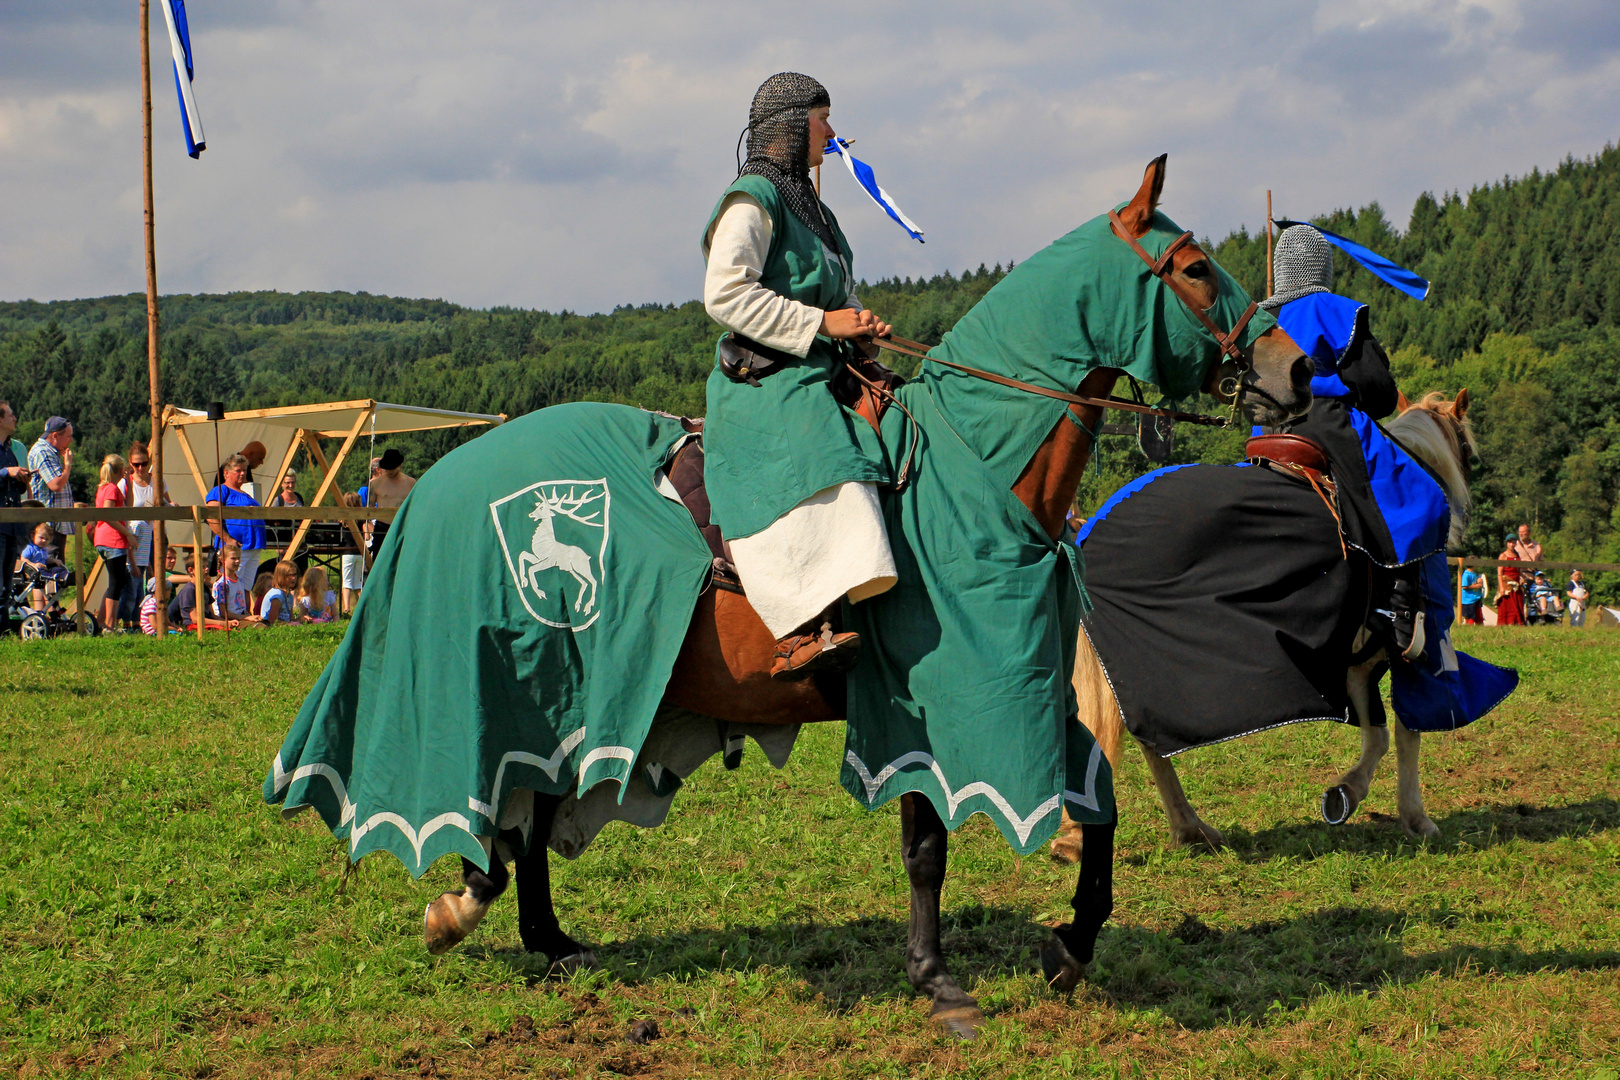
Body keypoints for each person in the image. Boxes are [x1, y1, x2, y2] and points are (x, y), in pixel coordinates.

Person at [701, 72, 898, 680]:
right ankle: (802, 626)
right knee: (820, 447)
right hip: (770, 381)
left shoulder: (818, 211)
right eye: (823, 119)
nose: (833, 133)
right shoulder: (752, 197)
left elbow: (836, 295)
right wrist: (824, 323)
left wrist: (857, 326)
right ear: (789, 124)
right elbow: (726, 294)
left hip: (828, 369)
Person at [1265, 224, 1448, 661]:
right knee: (1417, 493)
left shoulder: (1262, 320)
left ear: (1279, 270)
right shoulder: (1330, 308)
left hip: (1267, 432)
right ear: (1321, 266)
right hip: (1325, 424)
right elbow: (1380, 391)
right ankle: (1399, 608)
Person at [119, 441, 167, 625]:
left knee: (154, 581)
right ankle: (130, 621)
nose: (140, 468)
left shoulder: (157, 480)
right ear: (130, 464)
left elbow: (166, 502)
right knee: (133, 583)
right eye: (136, 464)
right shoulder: (126, 483)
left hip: (155, 535)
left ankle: (150, 619)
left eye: (144, 463)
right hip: (135, 537)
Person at [206, 453, 270, 584]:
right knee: (231, 584)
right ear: (227, 473)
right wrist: (228, 539)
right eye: (238, 470)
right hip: (236, 548)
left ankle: (244, 606)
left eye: (244, 470)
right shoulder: (221, 490)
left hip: (253, 546)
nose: (242, 473)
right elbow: (211, 517)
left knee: (245, 587)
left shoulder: (246, 494)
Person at [94, 454, 138, 632]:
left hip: (103, 539)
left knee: (117, 581)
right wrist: (127, 533)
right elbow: (108, 513)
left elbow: (129, 504)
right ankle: (110, 625)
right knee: (116, 582)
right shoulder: (111, 488)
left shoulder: (104, 488)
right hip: (112, 539)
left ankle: (101, 621)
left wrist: (129, 483)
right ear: (121, 470)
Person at [0, 401, 30, 634]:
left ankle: (3, 629)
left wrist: (22, 480)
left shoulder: (10, 451)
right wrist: (5, 472)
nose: (15, 419)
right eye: (11, 415)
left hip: (12, 525)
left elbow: (14, 489)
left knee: (7, 582)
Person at [28, 416, 74, 541]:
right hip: (48, 526)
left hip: (53, 524)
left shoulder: (50, 452)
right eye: (68, 436)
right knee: (53, 560)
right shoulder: (43, 452)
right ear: (55, 435)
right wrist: (68, 465)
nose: (71, 440)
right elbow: (56, 485)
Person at [364, 448, 414, 557]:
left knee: (403, 558)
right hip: (382, 526)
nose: (389, 471)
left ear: (399, 466)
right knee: (379, 558)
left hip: (403, 526)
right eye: (387, 468)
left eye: (392, 468)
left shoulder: (410, 483)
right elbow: (370, 508)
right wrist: (368, 525)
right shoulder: (375, 484)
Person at [18, 522, 68, 611]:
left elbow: (45, 560)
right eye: (41, 538)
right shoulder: (30, 548)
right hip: (34, 571)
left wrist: (53, 560)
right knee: (39, 589)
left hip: (44, 570)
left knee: (55, 569)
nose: (44, 541)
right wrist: (33, 565)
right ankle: (39, 611)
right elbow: (23, 559)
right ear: (33, 536)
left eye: (47, 539)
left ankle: (64, 575)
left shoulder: (44, 549)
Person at [211, 541, 259, 624]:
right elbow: (223, 613)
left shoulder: (239, 581)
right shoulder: (222, 584)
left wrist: (250, 616)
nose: (237, 561)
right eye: (233, 558)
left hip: (240, 617)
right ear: (222, 560)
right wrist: (246, 618)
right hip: (230, 621)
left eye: (238, 558)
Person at [338, 491, 365, 614]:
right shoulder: (361, 519)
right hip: (359, 552)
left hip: (347, 552)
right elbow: (368, 536)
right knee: (358, 582)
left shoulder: (342, 520)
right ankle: (360, 608)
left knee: (347, 582)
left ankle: (346, 608)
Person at [259, 560, 307, 625]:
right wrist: (292, 624)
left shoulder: (289, 596)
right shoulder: (277, 595)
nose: (293, 578)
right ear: (281, 577)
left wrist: (300, 619)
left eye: (295, 575)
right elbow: (272, 621)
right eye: (290, 575)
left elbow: (290, 619)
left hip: (283, 626)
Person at [1495, 534, 1527, 625]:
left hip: (1517, 583)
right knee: (1507, 605)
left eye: (1513, 542)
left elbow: (1519, 570)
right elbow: (1500, 573)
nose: (1511, 545)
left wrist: (1522, 577)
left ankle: (1518, 623)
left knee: (1518, 604)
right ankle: (1506, 623)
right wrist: (1501, 587)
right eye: (1510, 542)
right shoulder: (1503, 556)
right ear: (1507, 543)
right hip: (1507, 583)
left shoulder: (1517, 555)